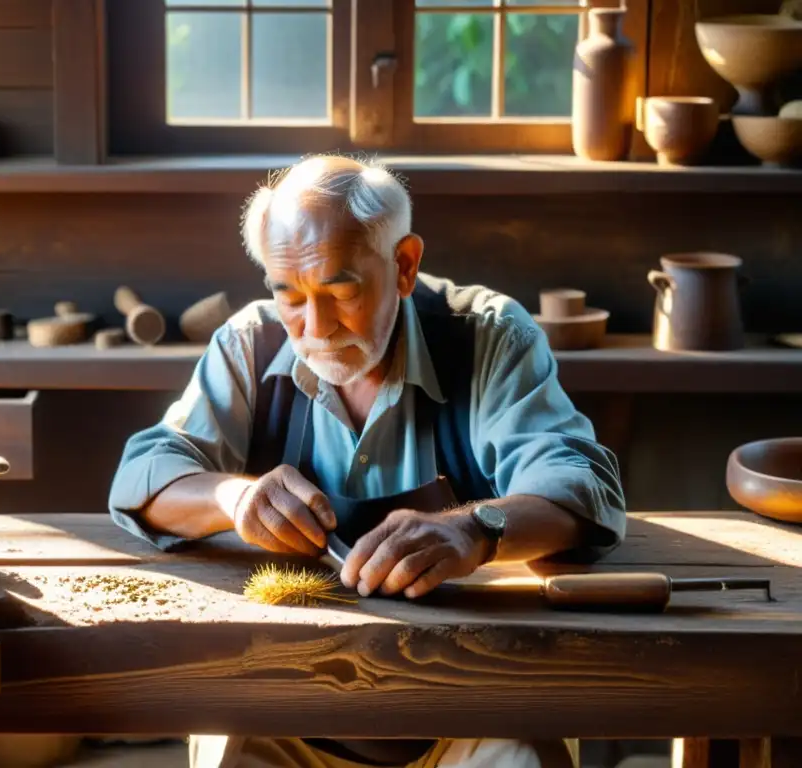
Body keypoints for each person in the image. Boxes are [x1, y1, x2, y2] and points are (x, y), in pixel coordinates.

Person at [109, 155, 626, 768]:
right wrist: (235, 499)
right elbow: (144, 472)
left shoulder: (486, 336)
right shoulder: (249, 344)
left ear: (404, 265)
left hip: (473, 702)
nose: (316, 327)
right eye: (290, 296)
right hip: (284, 709)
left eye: (339, 290)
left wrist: (472, 529)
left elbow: (579, 484)